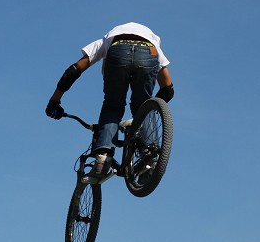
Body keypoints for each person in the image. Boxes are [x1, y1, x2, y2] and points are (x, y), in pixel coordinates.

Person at [46, 22, 174, 182]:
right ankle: (150, 157)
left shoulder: (107, 40)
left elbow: (74, 70)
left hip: (117, 51)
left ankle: (103, 158)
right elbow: (168, 89)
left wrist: (55, 99)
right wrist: (148, 111)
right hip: (149, 52)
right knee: (142, 106)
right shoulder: (154, 44)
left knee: (112, 107)